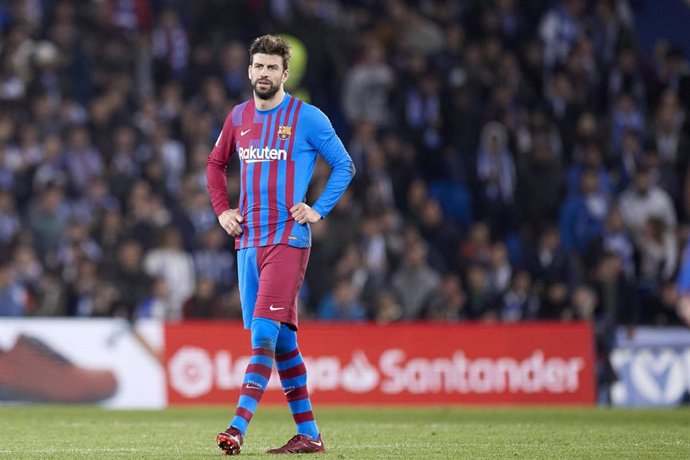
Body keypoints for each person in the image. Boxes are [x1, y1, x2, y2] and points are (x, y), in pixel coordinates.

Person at [206, 35, 355, 455]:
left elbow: (345, 164)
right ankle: (309, 435)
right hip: (247, 242)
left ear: (285, 74)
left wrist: (319, 209)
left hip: (287, 239)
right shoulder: (238, 117)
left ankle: (236, 428)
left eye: (272, 67)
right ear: (250, 71)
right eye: (258, 66)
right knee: (282, 342)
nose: (264, 74)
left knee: (264, 337)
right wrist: (222, 211)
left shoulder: (307, 118)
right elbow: (215, 164)